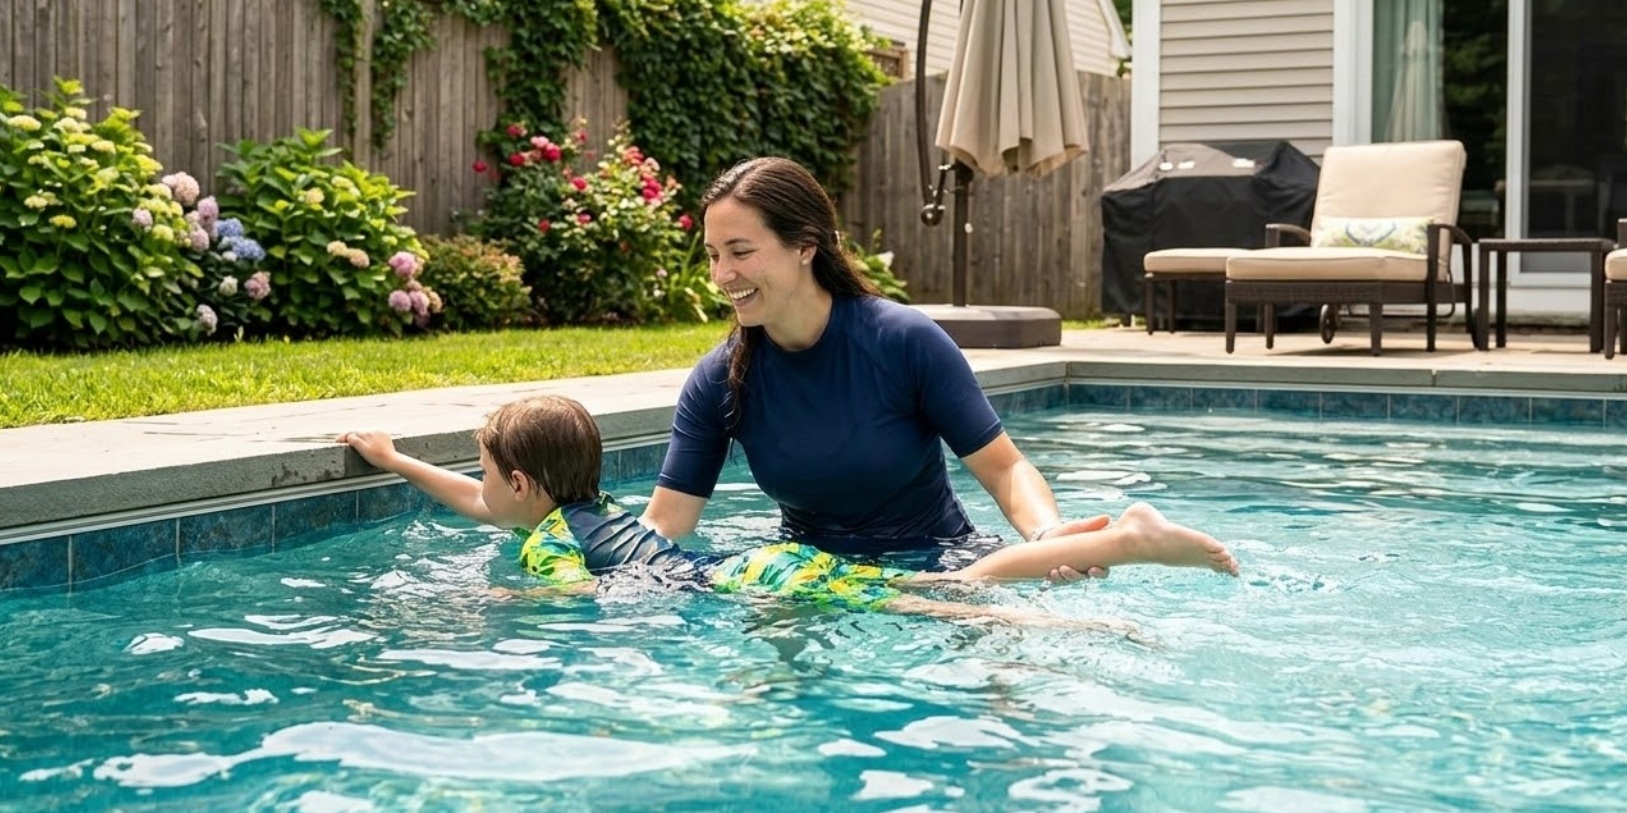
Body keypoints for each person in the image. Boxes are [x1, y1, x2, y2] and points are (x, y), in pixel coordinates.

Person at [337, 395, 1238, 626]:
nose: (479, 488)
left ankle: (1127, 539)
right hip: (756, 567)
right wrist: (394, 459)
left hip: (752, 582)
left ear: (523, 487)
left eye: (486, 473)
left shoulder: (548, 549)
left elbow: (570, 598)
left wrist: (496, 603)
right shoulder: (584, 508)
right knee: (940, 599)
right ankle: (1086, 578)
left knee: (952, 588)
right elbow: (481, 502)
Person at [643, 156, 1105, 575]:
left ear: (805, 247)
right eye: (712, 255)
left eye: (740, 252)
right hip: (814, 581)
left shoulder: (903, 341)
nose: (722, 275)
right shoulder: (721, 379)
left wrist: (1046, 536)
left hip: (940, 567)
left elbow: (1004, 470)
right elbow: (666, 522)